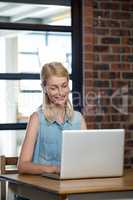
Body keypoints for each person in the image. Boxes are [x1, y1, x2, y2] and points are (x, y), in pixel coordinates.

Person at [16, 62, 86, 199]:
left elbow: (85, 159)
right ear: (44, 88)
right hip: (38, 193)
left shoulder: (79, 119)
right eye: (54, 88)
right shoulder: (36, 118)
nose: (61, 93)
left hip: (69, 191)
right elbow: (22, 165)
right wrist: (54, 169)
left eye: (64, 86)